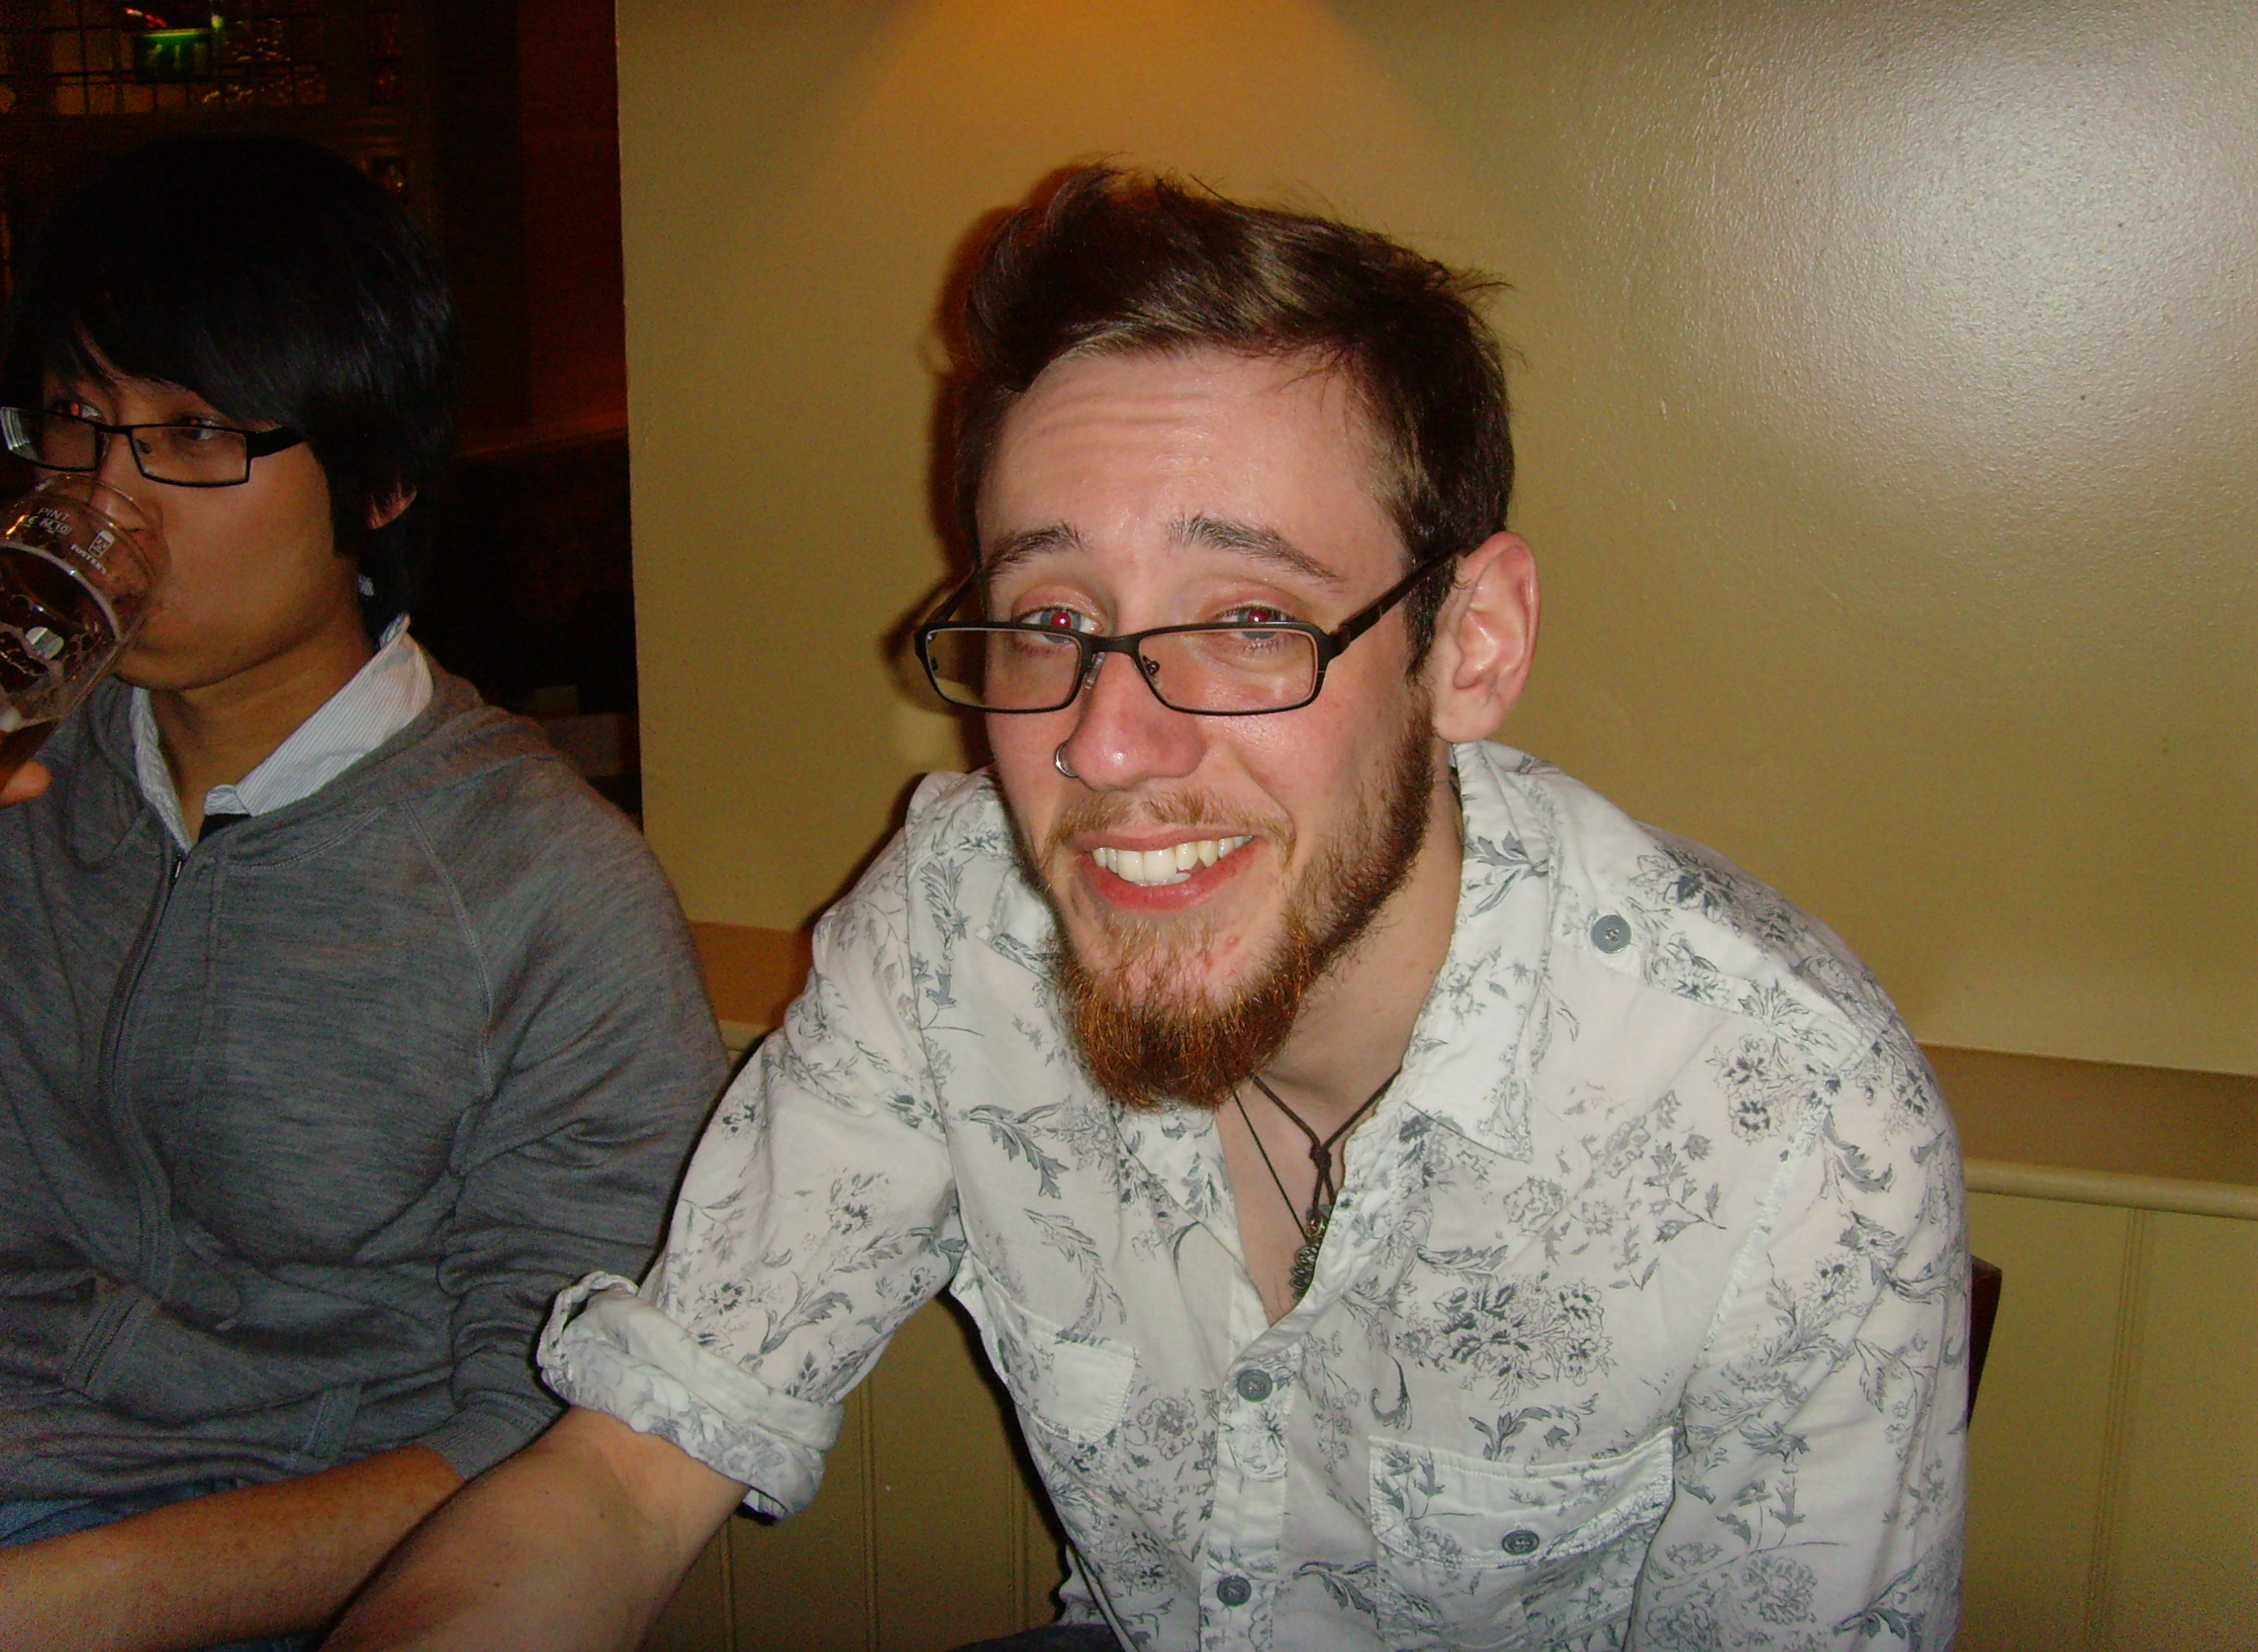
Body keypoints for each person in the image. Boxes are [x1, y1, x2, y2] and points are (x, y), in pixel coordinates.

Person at [329, 167, 1966, 1652]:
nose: (1106, 747)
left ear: (1468, 647)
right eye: (1051, 619)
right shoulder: (962, 923)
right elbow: (628, 1474)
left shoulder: (1784, 1112)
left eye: (1248, 619)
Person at [0, 135, 725, 1651]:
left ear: (382, 480)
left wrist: (72, 1603)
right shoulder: (36, 770)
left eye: (195, 433)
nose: (104, 501)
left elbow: (548, 1436)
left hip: (272, 1565)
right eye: (76, 420)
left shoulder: (546, 897)